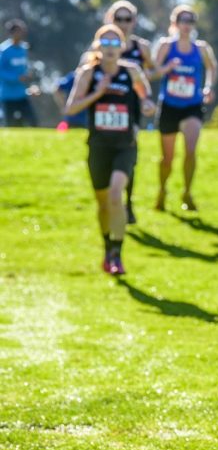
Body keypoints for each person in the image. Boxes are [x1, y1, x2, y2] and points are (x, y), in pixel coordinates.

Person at [65, 24, 156, 275]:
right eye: (105, 43)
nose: (110, 48)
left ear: (122, 47)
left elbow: (146, 98)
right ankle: (107, 248)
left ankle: (117, 252)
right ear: (98, 47)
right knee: (103, 204)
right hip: (99, 147)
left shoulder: (132, 72)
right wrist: (98, 92)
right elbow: (71, 108)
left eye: (115, 43)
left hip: (125, 145)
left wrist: (147, 106)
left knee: (116, 195)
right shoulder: (88, 73)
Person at [153, 5, 218, 212]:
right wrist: (167, 68)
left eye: (190, 21)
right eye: (183, 20)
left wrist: (208, 87)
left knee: (190, 150)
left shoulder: (201, 48)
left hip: (192, 105)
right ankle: (162, 191)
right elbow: (152, 72)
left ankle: (187, 193)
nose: (186, 25)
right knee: (168, 158)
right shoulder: (165, 46)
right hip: (170, 105)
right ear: (175, 23)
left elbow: (212, 67)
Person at [105, 0, 155, 224]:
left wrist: (145, 95)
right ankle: (110, 200)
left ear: (134, 21)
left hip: (132, 108)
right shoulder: (103, 44)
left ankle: (128, 203)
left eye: (128, 19)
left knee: (128, 152)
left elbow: (152, 72)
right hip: (105, 109)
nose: (123, 24)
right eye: (119, 19)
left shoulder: (140, 47)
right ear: (111, 20)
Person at [0, 19, 38, 127]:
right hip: (8, 95)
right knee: (11, 125)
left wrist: (31, 83)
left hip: (22, 94)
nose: (21, 34)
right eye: (18, 31)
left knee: (33, 122)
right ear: (12, 33)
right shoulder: (4, 50)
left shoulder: (24, 48)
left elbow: (26, 68)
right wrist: (16, 77)